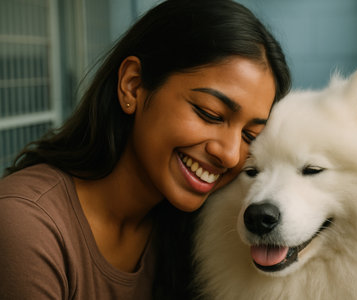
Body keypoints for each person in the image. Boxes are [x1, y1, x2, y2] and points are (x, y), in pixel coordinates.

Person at [0, 0, 291, 299]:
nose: (230, 154)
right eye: (210, 113)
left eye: (250, 135)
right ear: (133, 85)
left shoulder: (196, 233)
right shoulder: (28, 226)